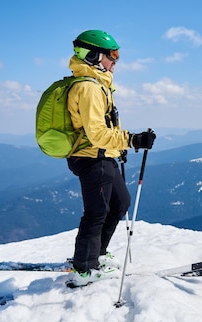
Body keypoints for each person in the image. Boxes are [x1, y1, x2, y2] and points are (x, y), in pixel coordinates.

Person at [65, 29, 156, 287]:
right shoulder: (88, 88)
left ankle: (97, 255)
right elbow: (96, 133)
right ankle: (83, 269)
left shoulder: (97, 85)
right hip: (91, 158)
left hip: (102, 155)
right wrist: (132, 140)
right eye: (112, 55)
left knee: (120, 203)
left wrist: (118, 147)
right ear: (93, 55)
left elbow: (102, 129)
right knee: (96, 212)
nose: (116, 61)